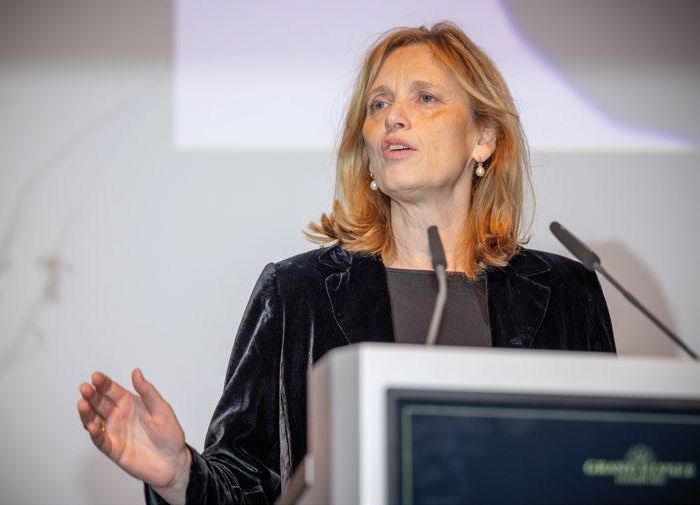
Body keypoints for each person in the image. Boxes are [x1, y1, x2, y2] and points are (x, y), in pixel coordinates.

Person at [77, 21, 615, 505]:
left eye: (425, 98)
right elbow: (249, 485)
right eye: (377, 105)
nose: (392, 118)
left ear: (484, 139)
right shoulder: (297, 293)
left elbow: (607, 466)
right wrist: (178, 476)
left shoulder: (568, 293)